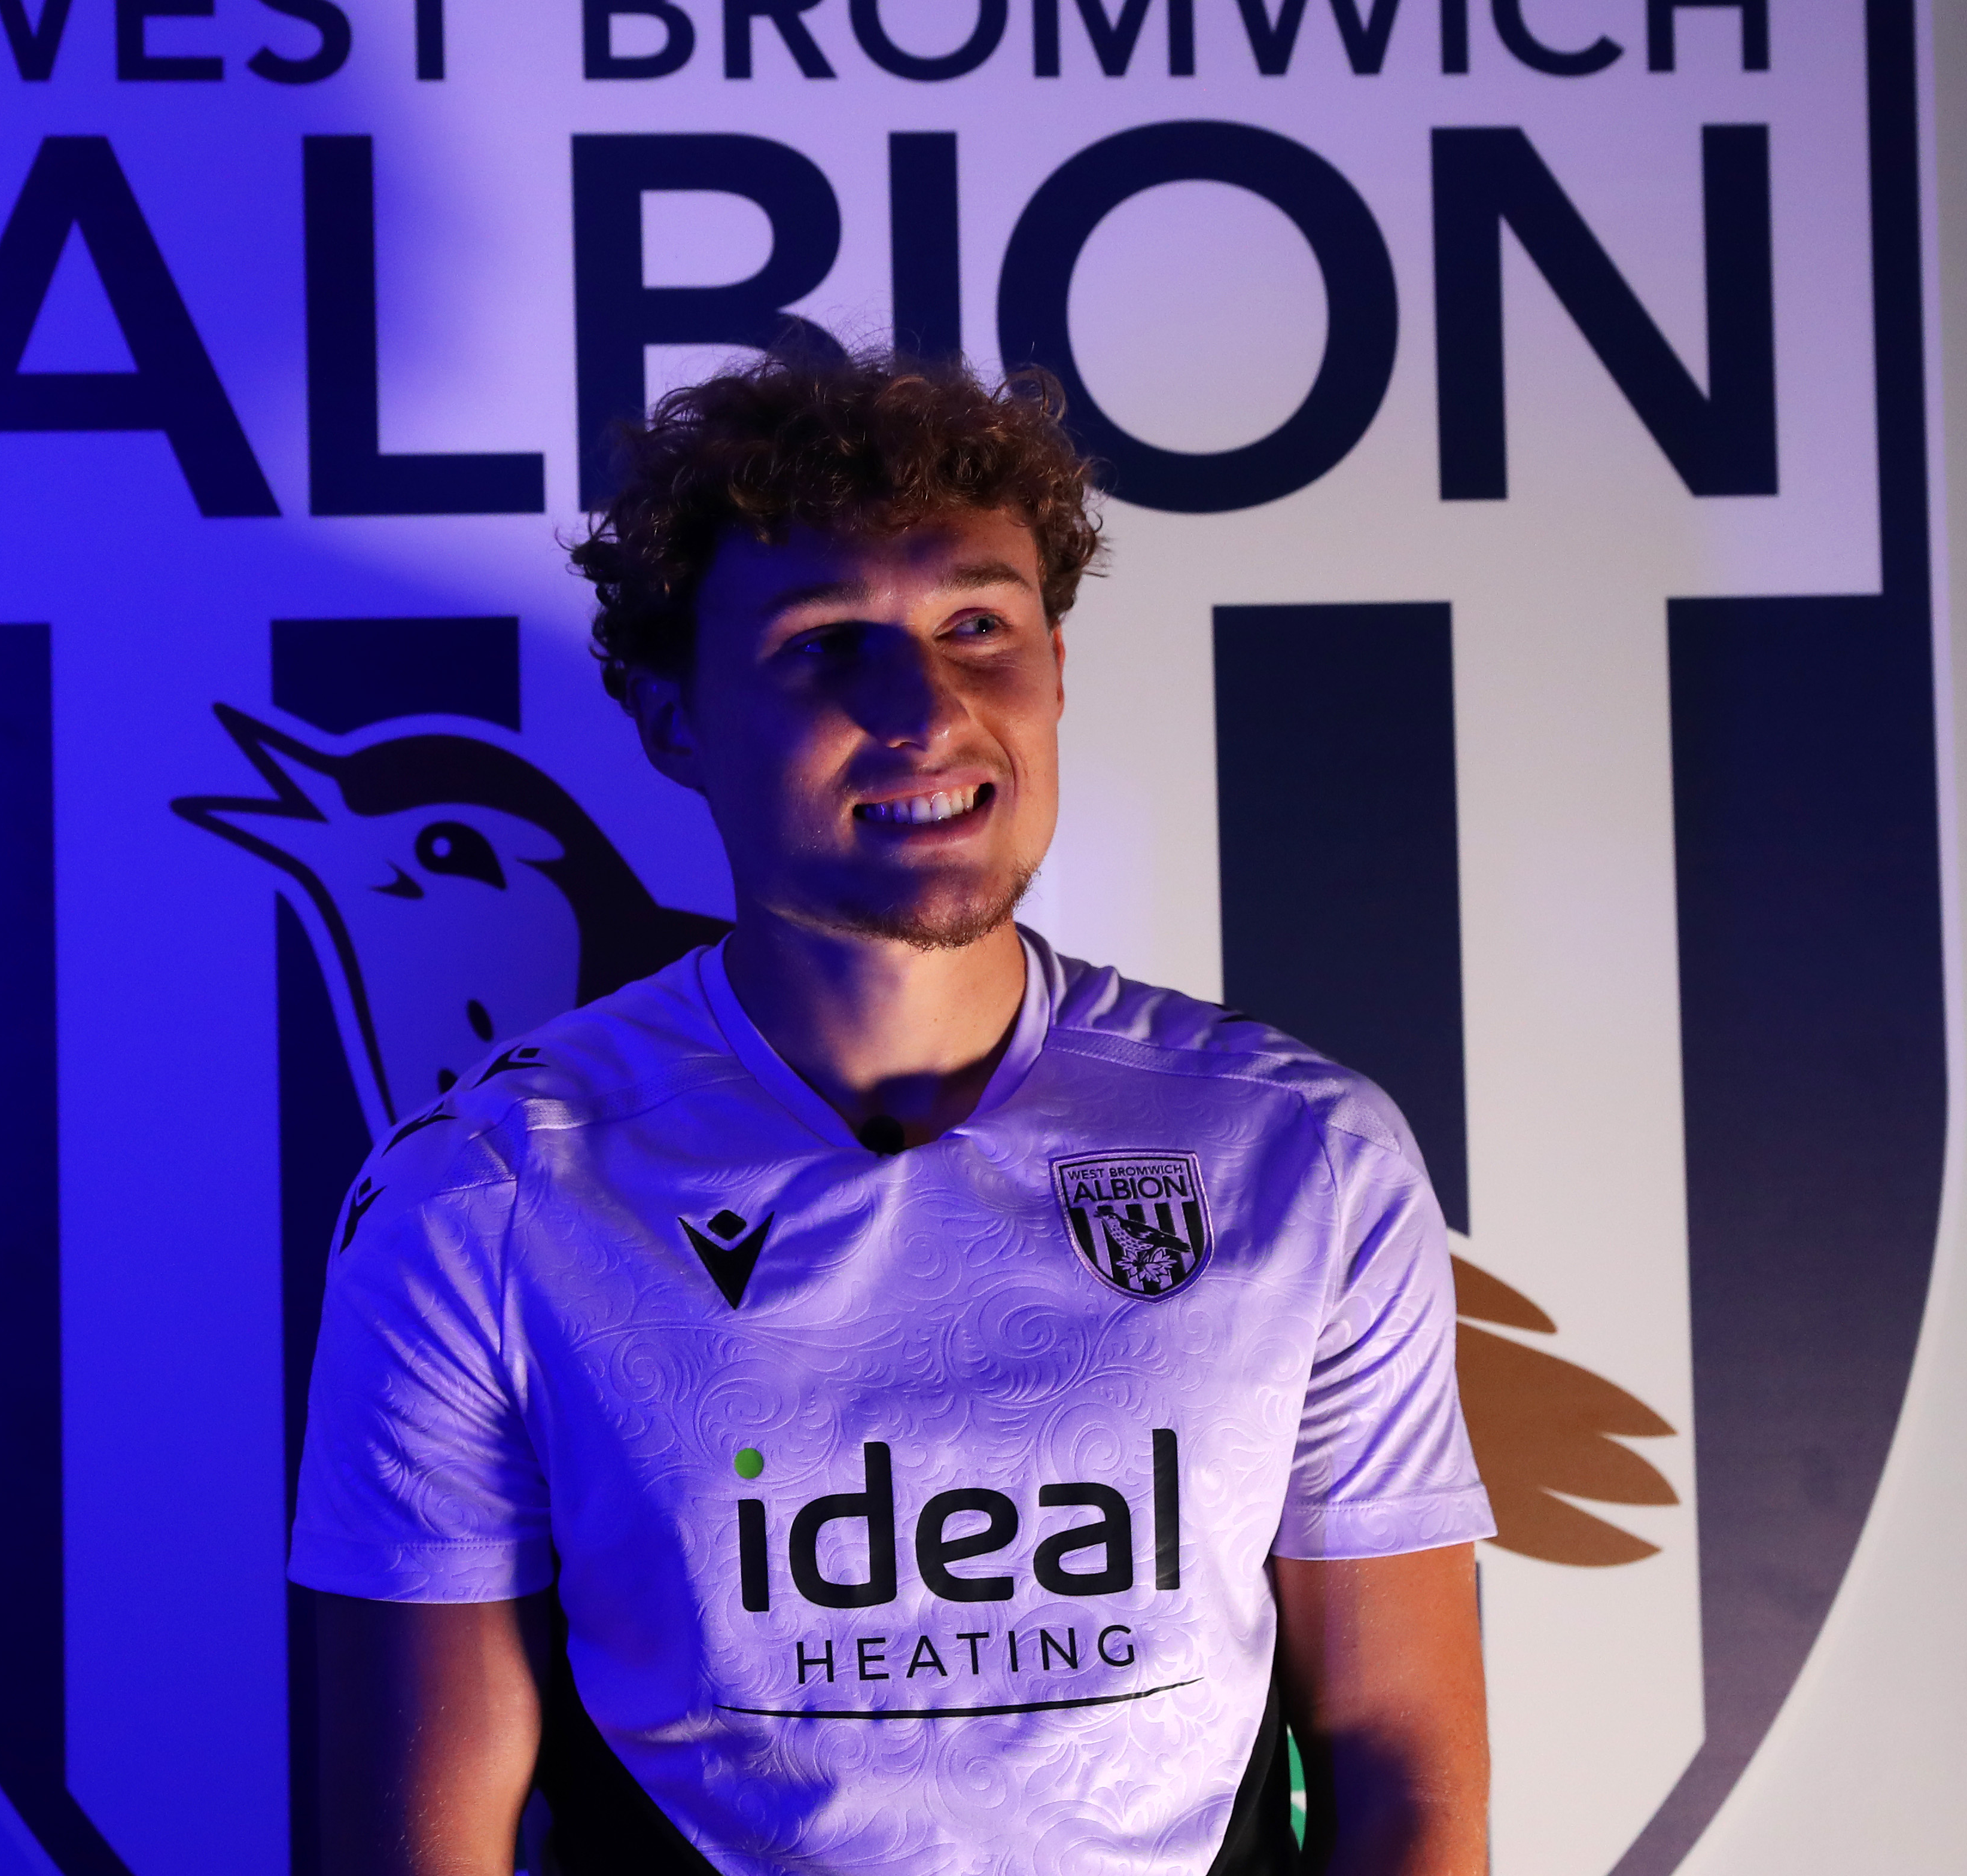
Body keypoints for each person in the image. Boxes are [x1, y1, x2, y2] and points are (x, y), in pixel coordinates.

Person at [291, 352, 1492, 1875]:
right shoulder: (480, 1203)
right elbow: (418, 1839)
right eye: (822, 646)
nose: (920, 710)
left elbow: (1402, 1760)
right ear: (672, 720)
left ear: (1055, 664)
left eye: (974, 626)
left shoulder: (1304, 1160)